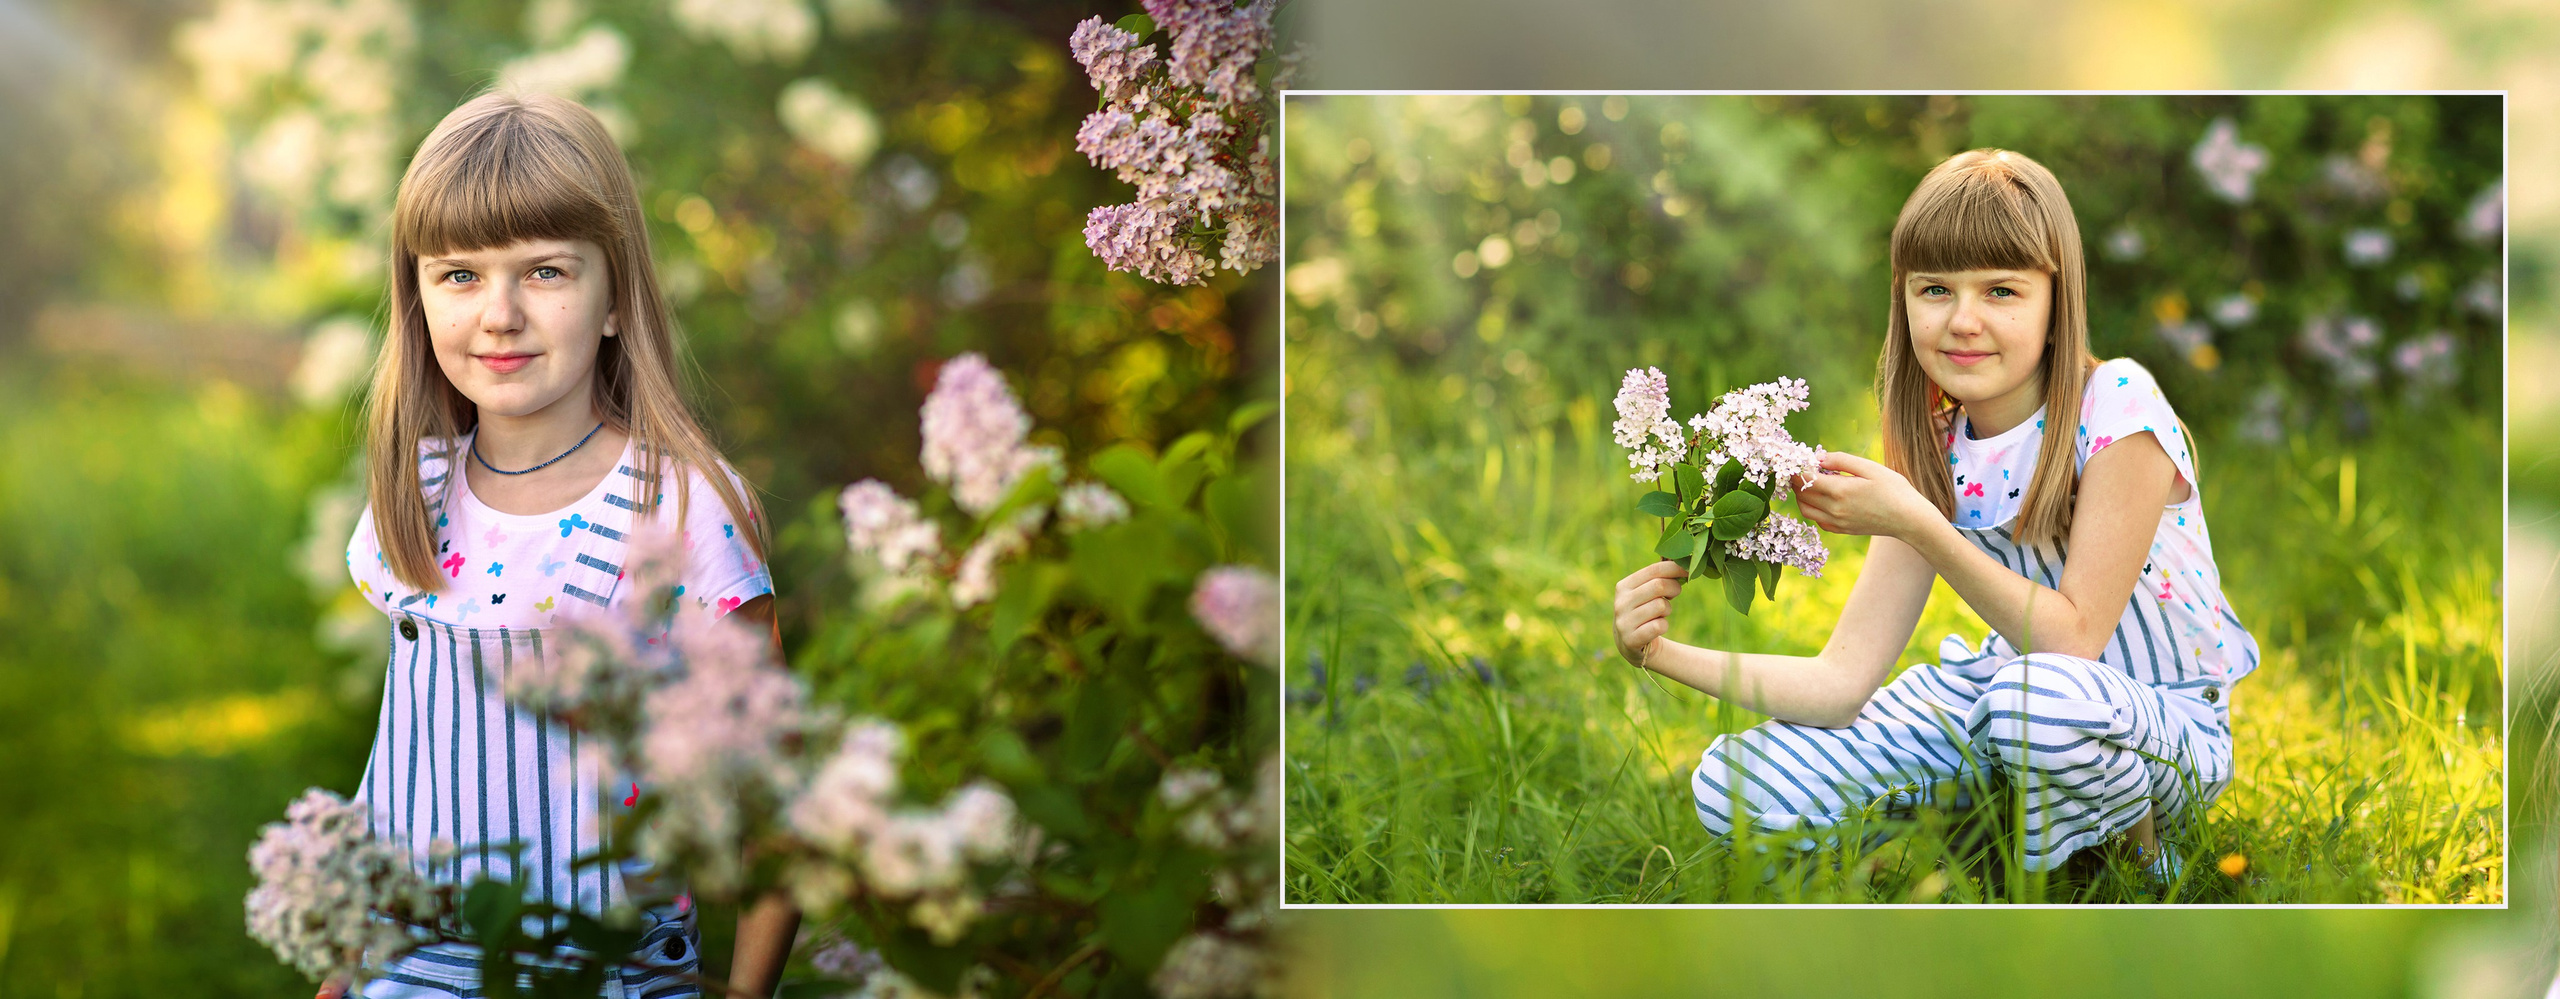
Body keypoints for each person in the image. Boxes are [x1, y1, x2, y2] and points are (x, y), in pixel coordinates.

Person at [1610, 148, 2258, 881]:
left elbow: (2073, 640)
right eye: (1936, 289)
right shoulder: (1936, 448)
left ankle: (2135, 864)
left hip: (2156, 729)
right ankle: (1978, 822)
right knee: (1736, 783)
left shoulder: (2118, 406)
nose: (1964, 321)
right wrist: (1657, 653)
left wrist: (1917, 520)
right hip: (2005, 705)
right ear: (1905, 300)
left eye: (2003, 291)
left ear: (2057, 304)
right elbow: (1840, 681)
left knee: (2037, 700)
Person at [321, 91, 799, 997]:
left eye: (544, 272)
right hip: (408, 970)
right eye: (458, 275)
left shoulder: (683, 507)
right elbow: (404, 762)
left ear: (615, 297)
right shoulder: (413, 497)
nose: (499, 314)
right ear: (415, 297)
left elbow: (772, 800)